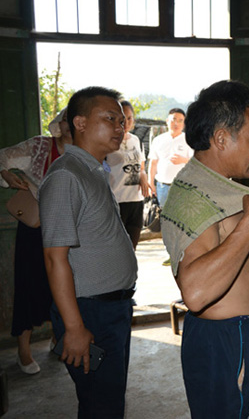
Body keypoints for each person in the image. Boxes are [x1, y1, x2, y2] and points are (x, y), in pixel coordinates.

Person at [160, 80, 249, 419]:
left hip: (245, 331)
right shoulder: (192, 197)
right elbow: (195, 292)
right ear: (222, 138)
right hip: (227, 338)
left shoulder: (216, 187)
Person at [40, 86, 138, 418]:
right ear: (79, 122)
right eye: (109, 118)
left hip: (112, 308)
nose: (119, 127)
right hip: (90, 313)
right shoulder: (67, 175)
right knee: (101, 406)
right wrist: (74, 327)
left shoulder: (94, 170)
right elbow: (55, 258)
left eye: (122, 121)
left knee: (108, 401)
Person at [0, 110, 72, 374]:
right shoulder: (41, 145)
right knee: (29, 284)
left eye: (73, 119)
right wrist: (7, 176)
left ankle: (58, 339)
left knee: (63, 285)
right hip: (35, 228)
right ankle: (24, 350)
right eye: (64, 119)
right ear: (59, 122)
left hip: (68, 229)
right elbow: (3, 156)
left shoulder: (86, 151)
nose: (68, 125)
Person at [107, 100, 150, 249]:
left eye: (129, 118)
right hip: (116, 201)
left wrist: (143, 175)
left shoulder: (136, 140)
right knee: (116, 250)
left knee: (132, 249)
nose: (126, 122)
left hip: (136, 200)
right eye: (122, 118)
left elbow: (141, 166)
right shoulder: (107, 140)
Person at [147, 108, 193, 206]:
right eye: (174, 119)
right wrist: (150, 183)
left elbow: (196, 162)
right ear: (167, 121)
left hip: (182, 187)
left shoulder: (189, 140)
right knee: (162, 216)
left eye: (180, 121)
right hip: (162, 186)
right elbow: (153, 163)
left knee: (180, 217)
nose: (176, 123)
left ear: (184, 124)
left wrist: (183, 160)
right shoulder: (158, 140)